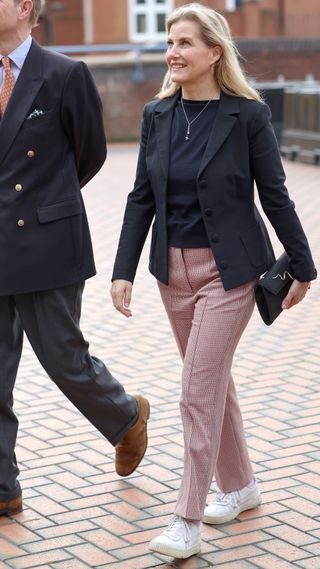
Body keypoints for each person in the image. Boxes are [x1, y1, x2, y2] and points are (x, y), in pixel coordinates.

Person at [111, 2, 316, 560]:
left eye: (183, 43)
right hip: (170, 275)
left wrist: (303, 264)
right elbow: (140, 198)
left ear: (214, 53)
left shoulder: (246, 117)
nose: (172, 52)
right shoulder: (157, 115)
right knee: (213, 383)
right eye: (169, 43)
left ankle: (186, 518)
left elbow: (273, 194)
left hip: (230, 275)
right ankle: (242, 485)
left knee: (195, 394)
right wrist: (123, 270)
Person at [0, 0, 150, 518]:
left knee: (64, 358)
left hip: (45, 242)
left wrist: (46, 205)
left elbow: (90, 153)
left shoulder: (64, 74)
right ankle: (3, 489)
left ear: (23, 8)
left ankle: (126, 416)